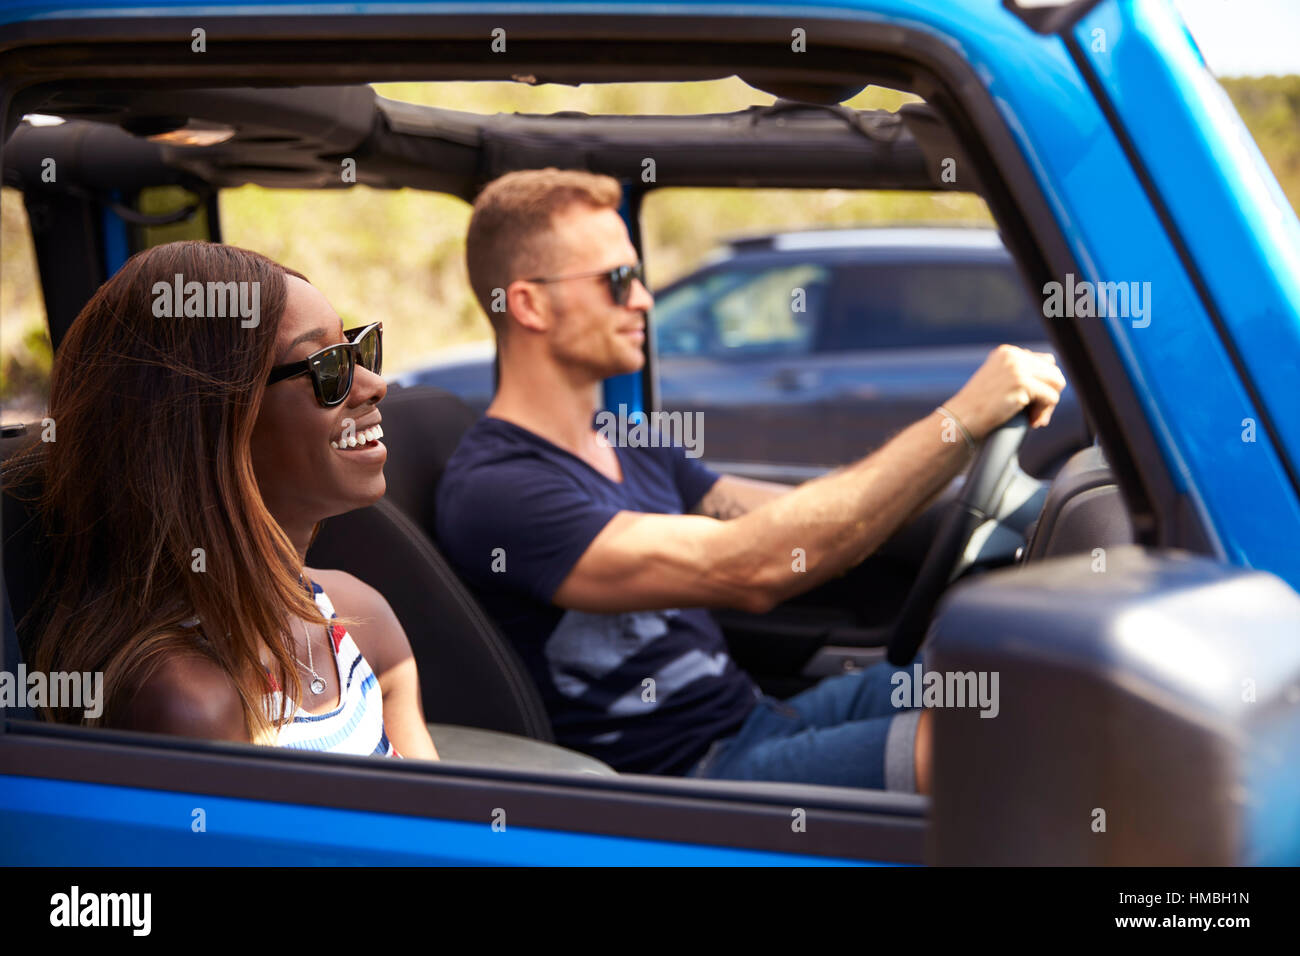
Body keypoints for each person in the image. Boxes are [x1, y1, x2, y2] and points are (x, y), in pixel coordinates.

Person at [436, 168, 1065, 790]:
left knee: (1008, 678)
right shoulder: (501, 489)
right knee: (995, 739)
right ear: (528, 303)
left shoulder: (629, 442)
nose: (644, 299)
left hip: (755, 719)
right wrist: (959, 419)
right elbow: (754, 564)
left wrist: (955, 459)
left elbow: (798, 517)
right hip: (688, 779)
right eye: (617, 281)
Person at [4, 240, 438, 760]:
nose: (374, 384)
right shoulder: (191, 702)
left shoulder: (357, 616)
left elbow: (452, 838)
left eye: (359, 349)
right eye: (326, 367)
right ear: (208, 428)